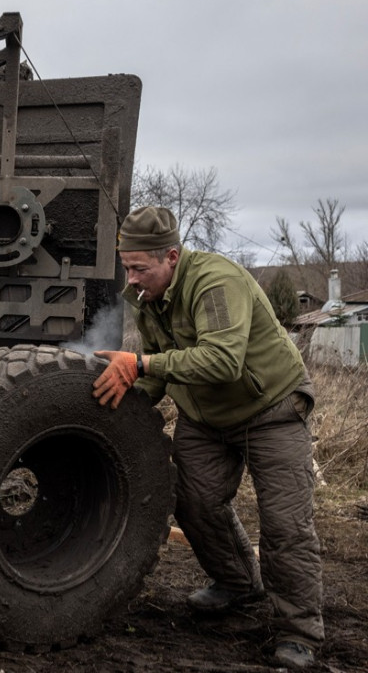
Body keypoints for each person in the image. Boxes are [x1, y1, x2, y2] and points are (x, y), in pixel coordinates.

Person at [92, 206, 323, 670]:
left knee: (283, 524)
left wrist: (141, 364)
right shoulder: (146, 294)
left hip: (271, 409)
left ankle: (299, 632)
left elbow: (221, 361)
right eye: (127, 267)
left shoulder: (216, 282)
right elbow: (158, 368)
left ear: (172, 257)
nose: (132, 279)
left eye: (140, 268)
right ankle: (238, 584)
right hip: (206, 415)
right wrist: (120, 397)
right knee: (193, 500)